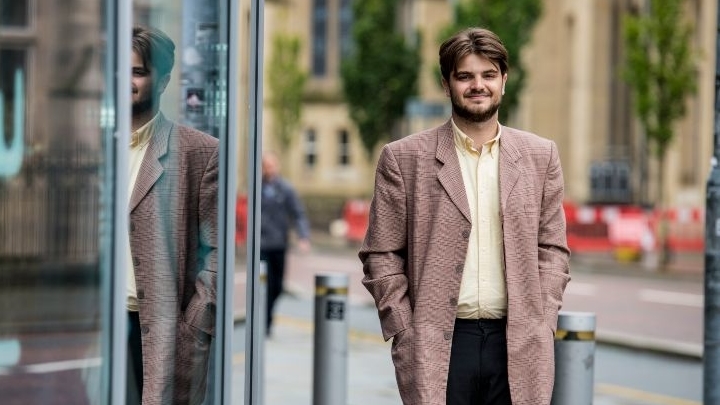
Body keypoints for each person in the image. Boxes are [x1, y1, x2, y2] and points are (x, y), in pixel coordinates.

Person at [359, 27, 571, 405]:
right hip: (438, 342)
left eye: (488, 75)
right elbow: (381, 254)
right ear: (447, 84)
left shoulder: (541, 156)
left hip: (518, 342)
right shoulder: (404, 158)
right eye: (465, 76)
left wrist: (543, 319)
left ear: (504, 81)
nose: (478, 85)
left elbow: (552, 247)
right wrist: (404, 327)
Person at [127, 25, 218, 405]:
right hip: (97, 325)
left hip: (159, 331)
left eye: (137, 72)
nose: (125, 80)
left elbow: (216, 252)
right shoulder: (94, 149)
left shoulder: (198, 151)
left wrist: (194, 324)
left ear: (163, 82)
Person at [260, 150, 311, 335]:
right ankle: (264, 323)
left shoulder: (286, 189)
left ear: (277, 167)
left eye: (272, 165)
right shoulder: (256, 187)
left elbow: (298, 214)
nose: (269, 169)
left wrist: (303, 236)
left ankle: (267, 316)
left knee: (277, 286)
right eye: (266, 166)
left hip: (279, 244)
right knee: (263, 286)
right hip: (261, 246)